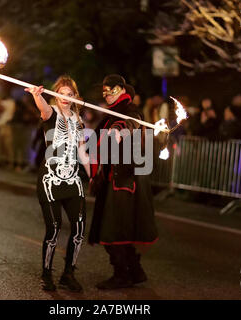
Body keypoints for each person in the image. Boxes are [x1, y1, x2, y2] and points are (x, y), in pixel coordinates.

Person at [88, 74, 158, 290]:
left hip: (124, 181)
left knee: (114, 229)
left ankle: (121, 274)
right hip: (113, 178)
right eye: (104, 90)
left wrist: (119, 131)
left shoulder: (130, 110)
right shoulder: (110, 114)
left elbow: (130, 123)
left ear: (122, 89)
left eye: (111, 89)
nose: (106, 93)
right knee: (117, 227)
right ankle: (135, 271)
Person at [25, 76, 90, 292]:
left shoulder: (79, 121)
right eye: (62, 93)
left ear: (74, 97)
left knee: (79, 228)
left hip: (73, 180)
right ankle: (46, 273)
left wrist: (94, 176)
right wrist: (37, 95)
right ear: (55, 95)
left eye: (70, 94)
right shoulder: (51, 112)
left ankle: (69, 273)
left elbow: (82, 152)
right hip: (50, 179)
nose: (66, 97)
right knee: (53, 228)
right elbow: (43, 108)